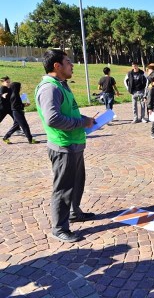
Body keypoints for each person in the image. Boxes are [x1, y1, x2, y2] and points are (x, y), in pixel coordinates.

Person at [35, 49, 96, 243]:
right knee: (63, 188)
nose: (72, 65)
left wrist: (84, 121)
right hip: (63, 146)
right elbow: (52, 118)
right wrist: (82, 123)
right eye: (68, 62)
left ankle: (74, 212)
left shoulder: (61, 85)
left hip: (74, 144)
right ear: (57, 66)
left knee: (77, 182)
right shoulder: (50, 88)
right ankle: (59, 228)